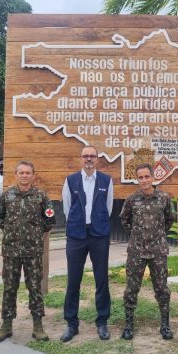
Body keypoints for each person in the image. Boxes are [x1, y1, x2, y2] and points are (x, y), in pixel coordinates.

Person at [0, 160, 56, 343]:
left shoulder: (41, 197)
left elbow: (50, 220)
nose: (25, 176)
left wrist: (34, 233)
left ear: (33, 175)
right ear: (16, 174)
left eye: (28, 173)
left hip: (33, 252)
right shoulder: (7, 196)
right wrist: (12, 231)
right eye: (22, 172)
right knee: (10, 287)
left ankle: (38, 325)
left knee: (35, 288)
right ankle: (6, 325)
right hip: (11, 251)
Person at [60, 145, 114, 342]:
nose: (89, 159)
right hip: (76, 235)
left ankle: (102, 322)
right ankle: (71, 324)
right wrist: (78, 224)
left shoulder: (106, 181)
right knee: (73, 280)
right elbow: (67, 208)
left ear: (97, 159)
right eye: (85, 156)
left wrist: (96, 224)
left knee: (102, 280)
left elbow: (108, 208)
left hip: (99, 235)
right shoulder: (71, 180)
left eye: (92, 156)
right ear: (80, 159)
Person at [119, 163, 176, 340]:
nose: (144, 180)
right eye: (140, 177)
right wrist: (138, 236)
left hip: (158, 251)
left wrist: (158, 235)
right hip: (136, 252)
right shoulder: (131, 199)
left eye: (147, 176)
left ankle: (165, 325)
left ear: (153, 177)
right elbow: (125, 220)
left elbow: (170, 219)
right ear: (137, 179)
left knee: (162, 288)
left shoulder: (164, 197)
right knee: (131, 289)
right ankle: (128, 325)